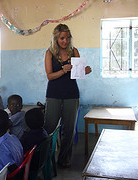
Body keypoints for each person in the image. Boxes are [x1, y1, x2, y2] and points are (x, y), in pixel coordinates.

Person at [43, 24, 92, 168]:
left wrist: (85, 71)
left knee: (69, 130)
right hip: (54, 95)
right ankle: (44, 158)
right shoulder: (50, 53)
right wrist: (63, 70)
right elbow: (50, 76)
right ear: (56, 38)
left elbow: (78, 72)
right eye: (62, 38)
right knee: (49, 127)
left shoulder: (74, 51)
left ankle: (64, 158)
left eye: (67, 37)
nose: (65, 41)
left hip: (71, 94)